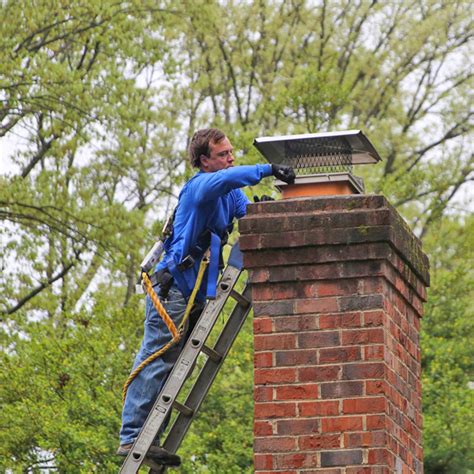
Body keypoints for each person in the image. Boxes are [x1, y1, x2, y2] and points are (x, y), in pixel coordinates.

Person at [118, 128, 295, 466]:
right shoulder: (200, 186)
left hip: (196, 293)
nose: (230, 158)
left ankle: (149, 438)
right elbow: (229, 179)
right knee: (157, 361)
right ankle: (132, 438)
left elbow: (245, 212)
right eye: (223, 155)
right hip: (173, 291)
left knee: (172, 372)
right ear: (204, 161)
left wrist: (265, 213)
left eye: (231, 152)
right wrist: (270, 170)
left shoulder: (229, 196)